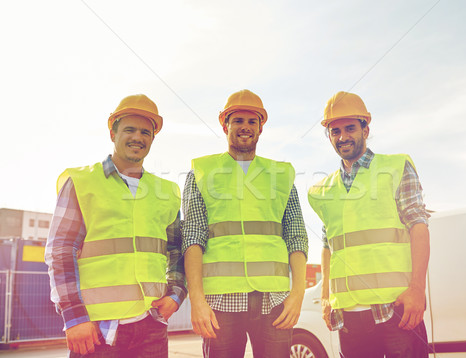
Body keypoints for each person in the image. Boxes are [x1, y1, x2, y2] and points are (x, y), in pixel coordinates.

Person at [44, 94, 186, 357]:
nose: (138, 137)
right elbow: (60, 250)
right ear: (113, 133)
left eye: (146, 132)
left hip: (151, 326)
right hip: (96, 329)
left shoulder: (167, 191)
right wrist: (74, 316)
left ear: (153, 139)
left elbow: (177, 249)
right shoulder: (81, 182)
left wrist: (175, 294)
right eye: (129, 129)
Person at [182, 89, 308, 358]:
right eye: (238, 120)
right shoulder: (201, 173)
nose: (245, 127)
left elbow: (296, 236)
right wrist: (197, 299)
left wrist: (298, 294)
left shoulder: (281, 175)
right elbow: (192, 237)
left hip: (274, 300)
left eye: (252, 122)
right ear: (225, 124)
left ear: (261, 128)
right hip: (220, 303)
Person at [308, 91, 430, 357]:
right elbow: (329, 244)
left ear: (366, 127)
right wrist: (327, 297)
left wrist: (418, 289)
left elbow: (418, 225)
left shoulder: (396, 167)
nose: (342, 137)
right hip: (350, 318)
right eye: (335, 131)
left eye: (350, 128)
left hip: (397, 309)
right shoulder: (322, 189)